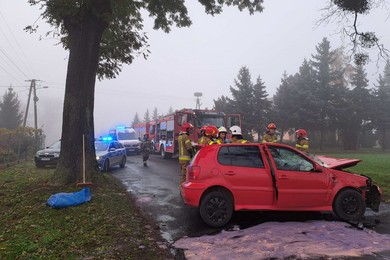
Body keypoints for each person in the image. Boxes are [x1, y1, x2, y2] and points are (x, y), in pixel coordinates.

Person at [178, 122, 195, 189]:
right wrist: (192, 155)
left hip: (181, 159)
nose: (190, 131)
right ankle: (181, 188)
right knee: (184, 175)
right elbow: (189, 148)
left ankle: (181, 186)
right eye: (189, 129)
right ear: (186, 129)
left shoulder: (180, 136)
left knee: (182, 173)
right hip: (186, 159)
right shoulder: (186, 137)